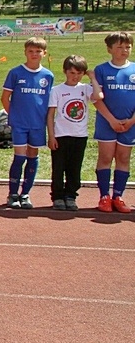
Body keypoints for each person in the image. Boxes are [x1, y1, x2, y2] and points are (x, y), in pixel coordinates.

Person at [1, 37, 54, 208]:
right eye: (31, 51)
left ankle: (25, 194)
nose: (34, 54)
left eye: (38, 51)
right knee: (19, 156)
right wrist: (14, 116)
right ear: (25, 52)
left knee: (33, 156)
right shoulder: (16, 72)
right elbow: (5, 98)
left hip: (37, 124)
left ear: (44, 53)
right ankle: (12, 194)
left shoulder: (48, 76)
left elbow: (48, 102)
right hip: (20, 124)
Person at [90, 31, 135, 213]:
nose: (124, 50)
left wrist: (131, 121)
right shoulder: (101, 70)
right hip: (107, 122)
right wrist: (111, 120)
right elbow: (96, 99)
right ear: (109, 49)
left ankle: (118, 196)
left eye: (128, 47)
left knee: (123, 158)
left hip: (130, 124)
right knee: (106, 157)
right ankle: (104, 196)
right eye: (119, 47)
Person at [47, 55, 91, 211]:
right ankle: (58, 196)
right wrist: (51, 136)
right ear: (65, 71)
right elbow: (51, 115)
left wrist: (92, 77)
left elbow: (99, 96)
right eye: (72, 73)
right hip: (61, 135)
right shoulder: (57, 90)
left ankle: (71, 195)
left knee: (74, 168)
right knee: (58, 168)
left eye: (79, 73)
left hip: (80, 136)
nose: (75, 76)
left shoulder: (85, 89)